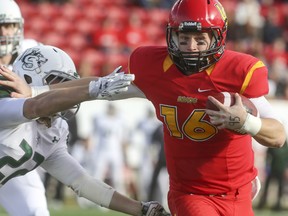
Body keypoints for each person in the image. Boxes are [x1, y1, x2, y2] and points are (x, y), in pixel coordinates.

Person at [2, 0, 286, 215]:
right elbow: (92, 88)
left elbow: (278, 136)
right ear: (171, 36)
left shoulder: (239, 71)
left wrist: (247, 123)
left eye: (200, 39)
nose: (191, 47)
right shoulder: (155, 69)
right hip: (191, 192)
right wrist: (36, 93)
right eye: (183, 38)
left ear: (218, 38)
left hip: (237, 191)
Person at [0, 44, 170, 216]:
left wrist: (140, 209)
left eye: (68, 85)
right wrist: (92, 90)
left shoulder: (55, 130)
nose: (68, 93)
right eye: (58, 82)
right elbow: (35, 107)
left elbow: (82, 181)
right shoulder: (6, 100)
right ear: (30, 77)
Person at [0, 0, 49, 215]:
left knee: (35, 212)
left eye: (9, 25)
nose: (4, 32)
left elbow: (59, 90)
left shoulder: (32, 54)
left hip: (13, 155)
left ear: (19, 26)